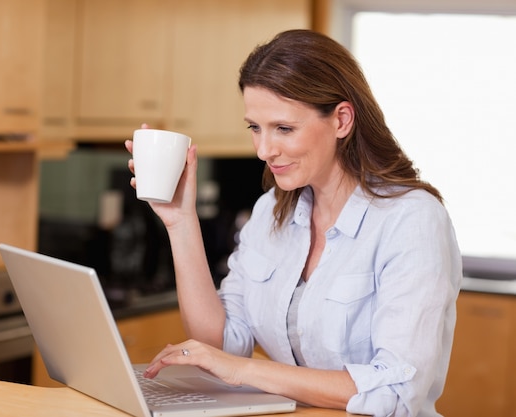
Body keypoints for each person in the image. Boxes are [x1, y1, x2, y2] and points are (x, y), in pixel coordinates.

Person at [124, 29, 461, 417]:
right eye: (255, 127)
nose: (265, 150)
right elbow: (221, 342)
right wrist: (180, 220)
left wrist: (247, 370)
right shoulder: (272, 211)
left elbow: (397, 391)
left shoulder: (411, 220)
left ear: (342, 120)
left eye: (284, 128)